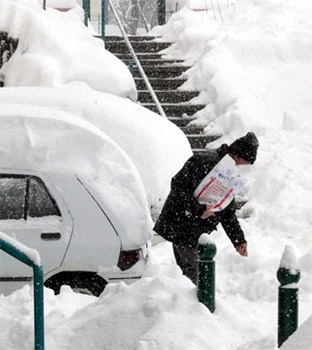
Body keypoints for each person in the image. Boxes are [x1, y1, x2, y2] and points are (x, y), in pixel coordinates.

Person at [153, 132, 259, 284]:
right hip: (182, 226)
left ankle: (195, 303)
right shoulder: (203, 161)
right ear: (237, 155)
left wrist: (238, 240)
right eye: (245, 163)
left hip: (195, 230)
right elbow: (178, 186)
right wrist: (199, 209)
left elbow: (227, 212)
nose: (244, 167)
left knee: (195, 276)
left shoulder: (230, 175)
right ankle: (197, 305)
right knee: (195, 277)